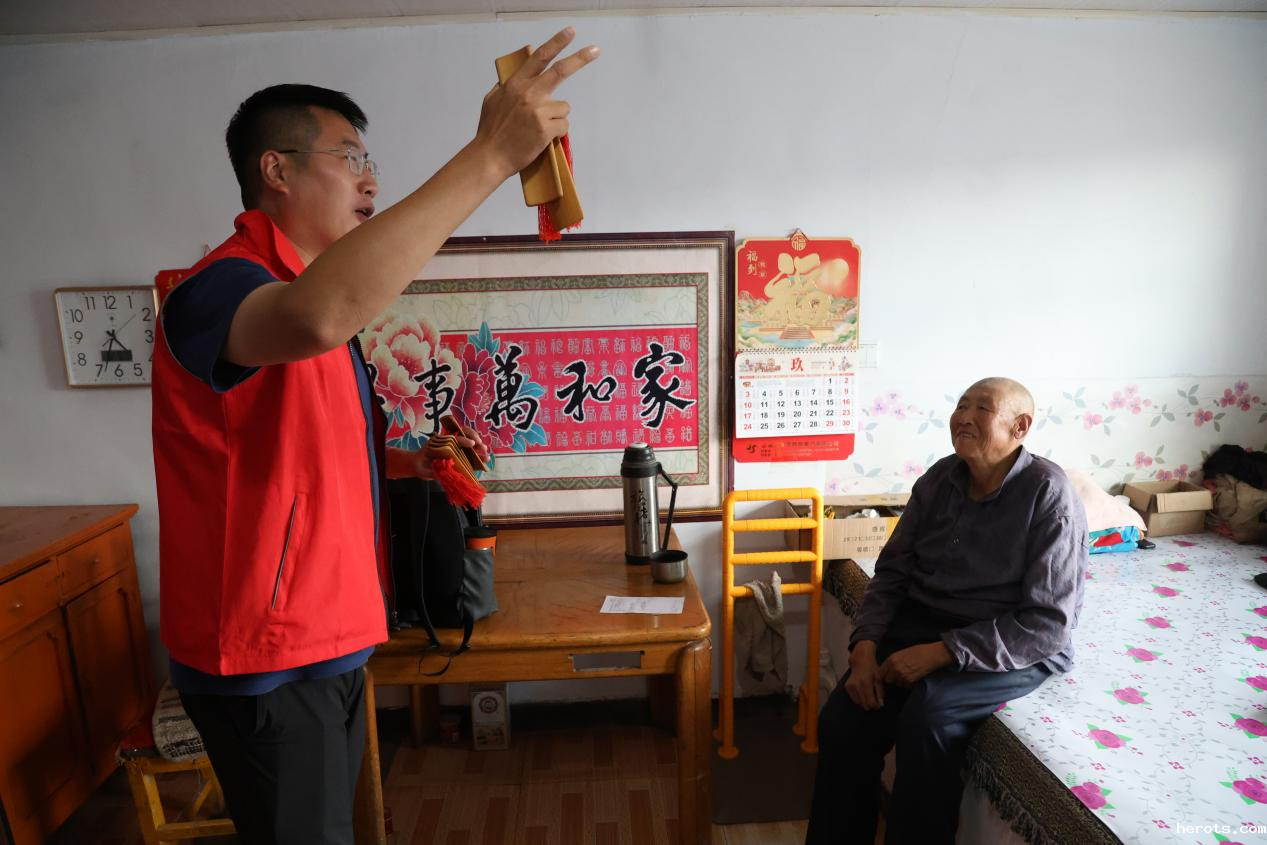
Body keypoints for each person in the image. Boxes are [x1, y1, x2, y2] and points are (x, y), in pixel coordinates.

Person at [151, 29, 599, 845]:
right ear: (275, 169)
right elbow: (317, 316)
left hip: (329, 632)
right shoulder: (219, 289)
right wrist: (489, 156)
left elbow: (301, 449)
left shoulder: (308, 294)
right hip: (266, 653)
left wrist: (409, 461)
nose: (370, 179)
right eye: (350, 157)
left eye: (371, 161)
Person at [805, 377, 1088, 845]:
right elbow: (892, 571)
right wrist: (865, 645)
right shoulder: (940, 478)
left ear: (1019, 427)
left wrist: (943, 652)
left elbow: (1048, 623)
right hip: (924, 623)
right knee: (843, 719)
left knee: (928, 716)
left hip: (1013, 640)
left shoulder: (1048, 493)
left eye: (983, 408)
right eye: (961, 405)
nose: (964, 417)